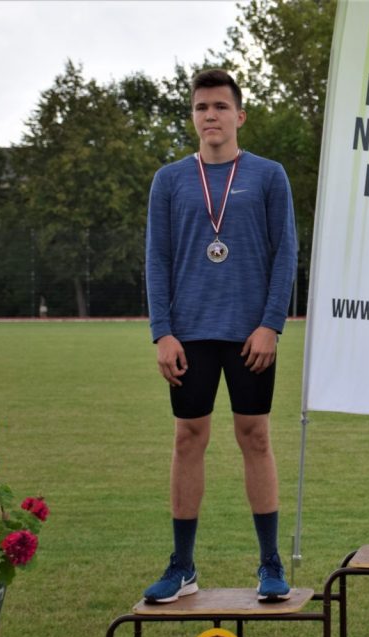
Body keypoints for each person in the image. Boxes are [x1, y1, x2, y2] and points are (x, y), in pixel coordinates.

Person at [143, 69, 298, 602]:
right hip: (188, 335)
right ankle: (182, 567)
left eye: (220, 107)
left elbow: (285, 254)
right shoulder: (169, 180)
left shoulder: (269, 175)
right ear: (193, 116)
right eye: (201, 107)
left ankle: (270, 563)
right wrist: (162, 332)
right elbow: (157, 259)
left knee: (255, 436)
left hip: (251, 334)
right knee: (188, 438)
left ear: (239, 116)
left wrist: (271, 324)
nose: (210, 115)